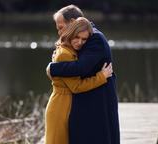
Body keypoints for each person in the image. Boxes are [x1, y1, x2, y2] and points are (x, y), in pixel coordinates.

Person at [46, 5, 120, 144]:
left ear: (73, 22)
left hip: (99, 102)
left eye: (61, 27)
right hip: (75, 104)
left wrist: (52, 69)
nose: (59, 32)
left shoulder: (95, 38)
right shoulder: (70, 47)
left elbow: (81, 67)